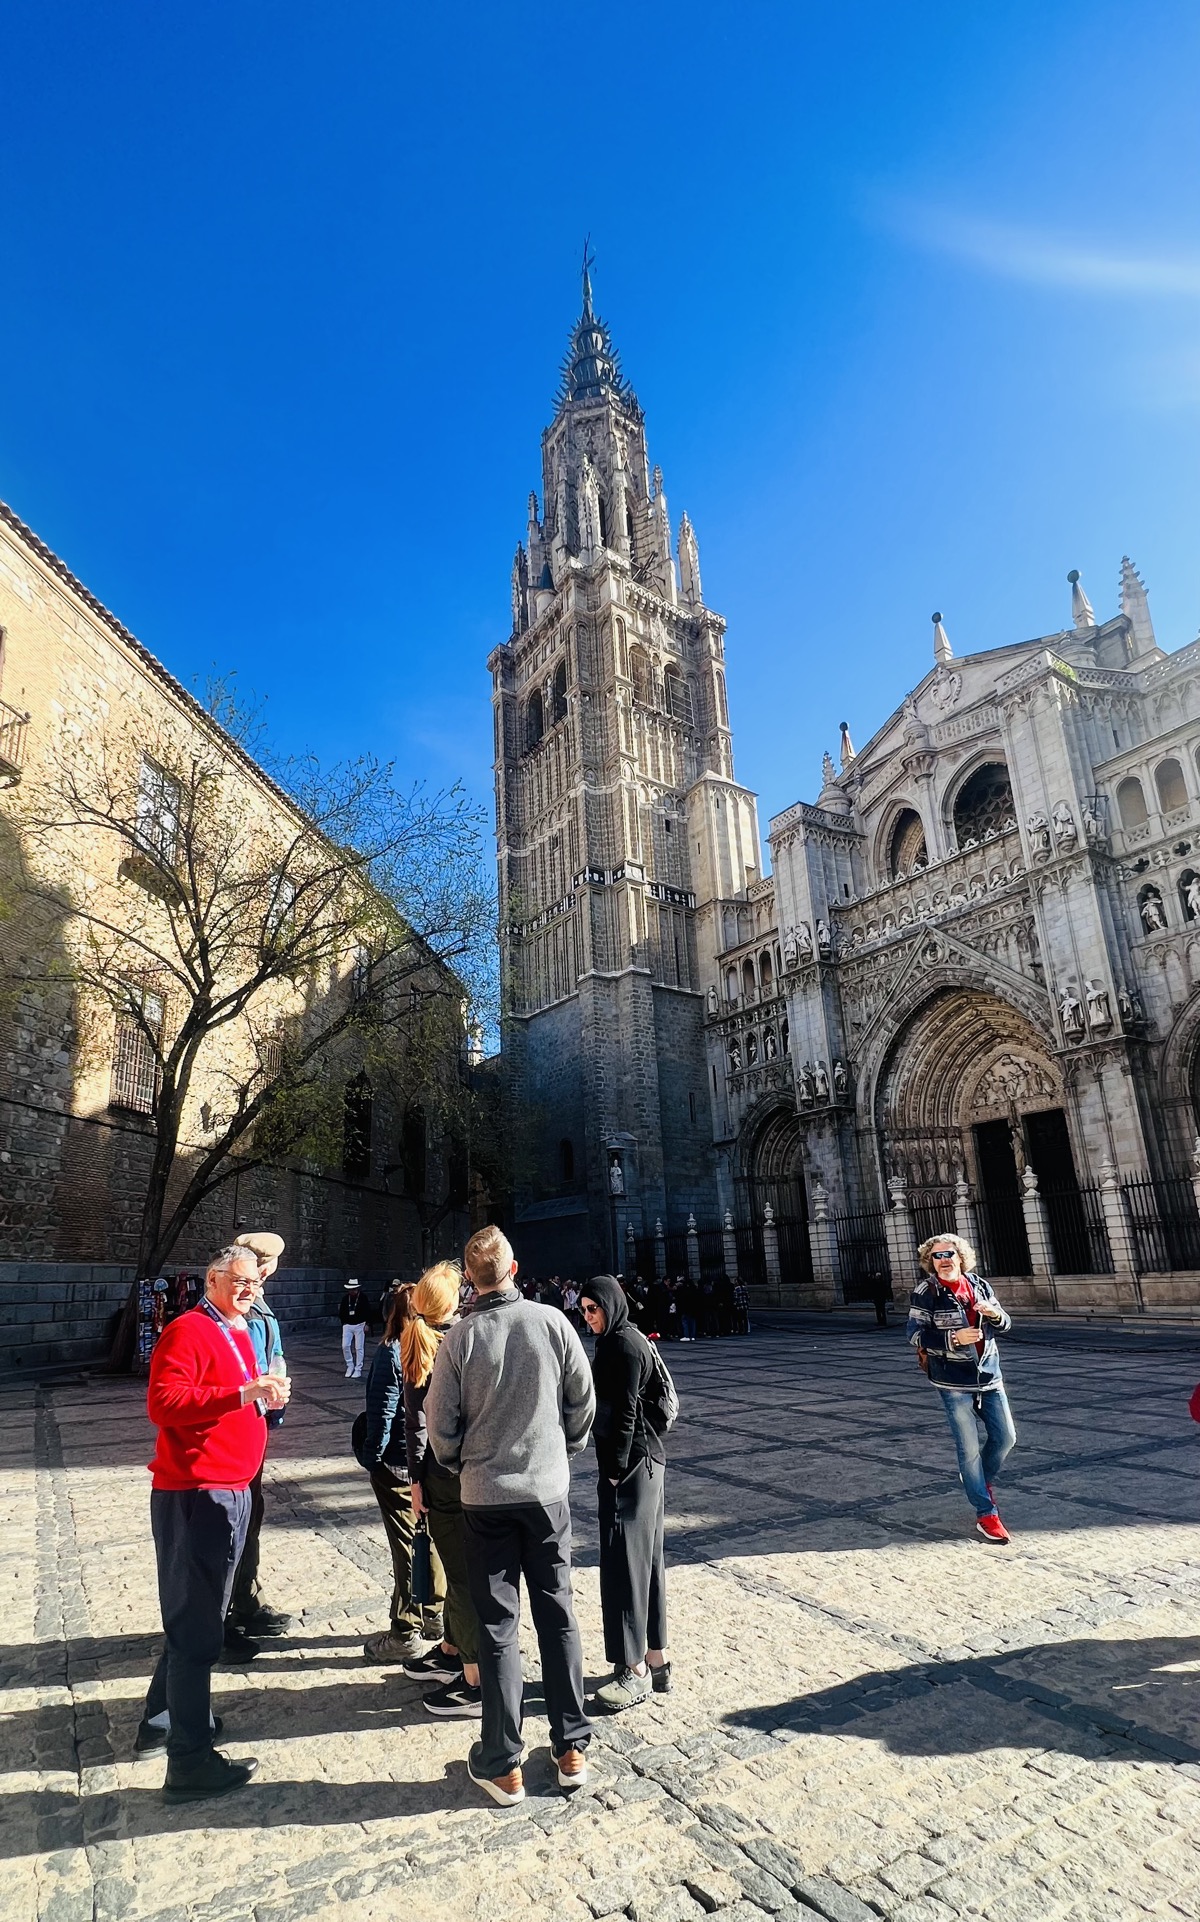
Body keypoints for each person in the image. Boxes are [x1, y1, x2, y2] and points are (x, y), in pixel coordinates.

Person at [426, 1224, 595, 1806]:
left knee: (498, 1628)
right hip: (547, 1496)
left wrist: (461, 1462)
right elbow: (583, 1397)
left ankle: (502, 1762)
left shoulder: (461, 1339)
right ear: (515, 1270)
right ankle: (571, 1746)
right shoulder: (553, 1323)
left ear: (470, 1279)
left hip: (485, 1500)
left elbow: (439, 1425)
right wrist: (562, 1449)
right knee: (558, 1614)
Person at [138, 1245, 290, 1799]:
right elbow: (164, 1403)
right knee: (197, 1628)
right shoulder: (187, 1329)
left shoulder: (237, 1329)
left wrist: (265, 1397)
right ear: (214, 1278)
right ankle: (189, 1763)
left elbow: (233, 1399)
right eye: (241, 1279)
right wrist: (245, 1392)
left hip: (228, 1489)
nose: (251, 1288)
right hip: (197, 1495)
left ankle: (178, 1722)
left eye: (256, 1281)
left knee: (200, 1616)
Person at [579, 1276, 671, 1711]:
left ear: (610, 1306)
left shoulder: (621, 1346)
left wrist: (614, 1471)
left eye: (592, 1309)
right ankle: (656, 1658)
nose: (587, 1316)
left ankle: (632, 1669)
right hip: (648, 1463)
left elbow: (625, 1411)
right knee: (647, 1562)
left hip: (631, 1467)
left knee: (622, 1567)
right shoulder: (628, 1338)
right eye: (583, 1309)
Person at [399, 1263, 485, 1719]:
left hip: (433, 1474)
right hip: (460, 1474)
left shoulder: (414, 1340)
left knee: (455, 1569)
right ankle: (475, 1682)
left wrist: (415, 1481)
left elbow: (414, 1425)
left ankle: (451, 1649)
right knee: (467, 1577)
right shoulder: (463, 1339)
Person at [357, 1282, 447, 1663]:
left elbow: (382, 1417)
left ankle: (406, 1628)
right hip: (432, 1460)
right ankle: (435, 1615)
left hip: (396, 1463)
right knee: (432, 1538)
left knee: (406, 1546)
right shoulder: (439, 1344)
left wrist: (370, 1458)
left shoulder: (392, 1353)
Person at [907, 1234, 1016, 1544]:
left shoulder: (978, 1285)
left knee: (1006, 1437)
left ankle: (976, 1480)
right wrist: (953, 1339)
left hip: (989, 1376)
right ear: (931, 1262)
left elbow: (1005, 1324)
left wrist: (996, 1315)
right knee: (968, 1449)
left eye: (949, 1254)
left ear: (960, 1257)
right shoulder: (926, 1292)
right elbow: (914, 1334)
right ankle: (986, 1513)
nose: (943, 1260)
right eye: (937, 1256)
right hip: (953, 1381)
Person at [223, 1230, 293, 1654]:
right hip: (233, 1430)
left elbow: (275, 1356)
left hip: (256, 1427)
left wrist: (278, 1393)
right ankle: (221, 1618)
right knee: (232, 1522)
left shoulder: (262, 1311)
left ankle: (246, 1600)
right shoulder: (234, 1314)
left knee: (251, 1516)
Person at [339, 1277, 372, 1378]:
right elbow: (341, 1311)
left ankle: (358, 1368)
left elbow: (368, 1311)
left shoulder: (363, 1298)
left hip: (359, 1324)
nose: (352, 1291)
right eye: (350, 1289)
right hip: (348, 1324)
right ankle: (350, 1365)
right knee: (345, 1345)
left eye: (354, 1289)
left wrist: (367, 1324)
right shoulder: (345, 1298)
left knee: (359, 1347)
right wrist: (344, 1323)